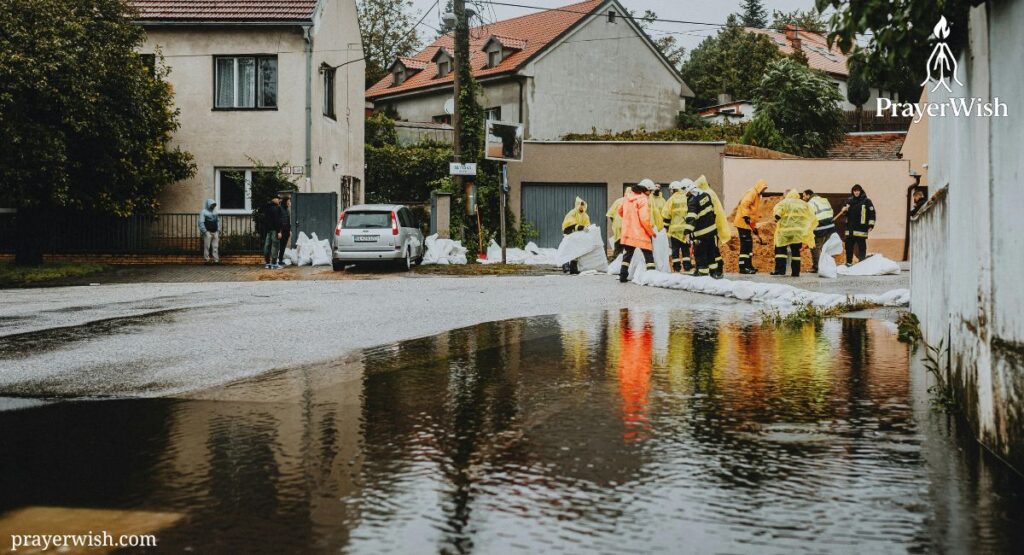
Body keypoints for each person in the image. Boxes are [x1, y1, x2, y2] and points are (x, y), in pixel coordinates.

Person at [618, 179, 657, 283]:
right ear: (646, 189)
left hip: (628, 233)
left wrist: (629, 219)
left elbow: (620, 211)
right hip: (641, 233)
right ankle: (651, 276)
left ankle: (622, 275)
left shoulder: (627, 197)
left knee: (627, 256)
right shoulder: (643, 199)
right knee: (648, 256)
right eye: (650, 191)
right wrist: (651, 232)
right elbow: (644, 219)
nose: (651, 193)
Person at [771, 189, 816, 277]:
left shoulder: (784, 202)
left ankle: (780, 270)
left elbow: (778, 213)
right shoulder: (803, 204)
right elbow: (811, 215)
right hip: (797, 233)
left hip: (785, 232)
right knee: (796, 253)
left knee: (781, 251)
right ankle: (795, 272)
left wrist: (776, 218)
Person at [682, 179, 719, 278]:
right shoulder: (706, 195)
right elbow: (712, 212)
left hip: (701, 233)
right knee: (711, 252)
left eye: (684, 189)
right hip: (711, 231)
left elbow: (691, 217)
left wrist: (687, 232)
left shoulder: (692, 199)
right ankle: (714, 272)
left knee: (700, 253)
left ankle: (702, 273)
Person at [695, 175, 730, 277]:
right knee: (712, 248)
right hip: (714, 226)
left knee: (713, 249)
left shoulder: (707, 194)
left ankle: (717, 270)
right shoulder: (710, 193)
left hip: (712, 227)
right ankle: (715, 270)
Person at [732, 179, 768, 274]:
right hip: (742, 222)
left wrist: (754, 227)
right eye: (763, 188)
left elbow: (753, 214)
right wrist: (746, 216)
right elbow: (744, 204)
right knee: (745, 244)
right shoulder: (752, 193)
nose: (764, 191)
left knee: (749, 244)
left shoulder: (756, 195)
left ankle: (749, 265)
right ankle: (743, 267)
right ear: (759, 186)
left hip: (747, 224)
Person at [835, 184, 875, 266]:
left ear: (860, 191)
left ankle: (862, 262)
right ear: (853, 192)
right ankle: (849, 262)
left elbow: (872, 214)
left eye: (858, 191)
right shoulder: (849, 201)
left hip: (861, 228)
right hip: (850, 228)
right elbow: (844, 213)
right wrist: (844, 210)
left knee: (862, 247)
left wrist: (871, 225)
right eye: (855, 191)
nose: (856, 192)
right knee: (848, 246)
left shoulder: (867, 201)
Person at [801, 189, 836, 273]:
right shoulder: (824, 199)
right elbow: (831, 211)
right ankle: (828, 266)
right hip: (830, 225)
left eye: (804, 195)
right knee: (827, 247)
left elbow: (810, 217)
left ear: (808, 195)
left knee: (815, 247)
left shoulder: (810, 203)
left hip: (820, 226)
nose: (803, 198)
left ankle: (816, 267)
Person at [664, 181, 692, 272]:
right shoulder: (687, 198)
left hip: (674, 230)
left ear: (673, 189)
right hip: (685, 230)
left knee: (675, 250)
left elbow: (666, 215)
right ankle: (687, 266)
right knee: (685, 249)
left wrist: (666, 228)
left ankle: (676, 267)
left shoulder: (671, 200)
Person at [561, 196, 591, 274]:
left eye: (582, 205)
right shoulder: (572, 213)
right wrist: (581, 227)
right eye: (580, 205)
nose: (581, 207)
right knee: (568, 249)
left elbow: (587, 225)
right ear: (577, 205)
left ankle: (573, 268)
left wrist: (587, 229)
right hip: (569, 233)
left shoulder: (585, 216)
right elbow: (570, 225)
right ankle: (565, 266)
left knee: (577, 251)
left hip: (578, 235)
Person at [262, 196, 285, 269]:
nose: (279, 201)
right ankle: (274, 264)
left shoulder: (267, 208)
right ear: (274, 199)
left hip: (268, 230)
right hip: (275, 230)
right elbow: (277, 221)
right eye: (278, 199)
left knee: (267, 246)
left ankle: (267, 263)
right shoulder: (277, 208)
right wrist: (279, 231)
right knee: (275, 246)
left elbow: (265, 220)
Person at [198, 199, 220, 264]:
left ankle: (216, 260)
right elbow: (201, 222)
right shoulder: (203, 212)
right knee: (207, 246)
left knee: (215, 246)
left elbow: (218, 221)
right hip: (207, 231)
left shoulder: (215, 212)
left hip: (215, 231)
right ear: (208, 204)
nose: (213, 206)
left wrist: (218, 230)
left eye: (214, 205)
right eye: (212, 204)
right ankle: (206, 260)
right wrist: (205, 231)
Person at [277, 196, 292, 267]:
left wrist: (290, 230)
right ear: (285, 202)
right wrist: (279, 231)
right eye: (289, 201)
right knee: (280, 246)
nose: (290, 203)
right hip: (282, 230)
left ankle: (280, 260)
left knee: (283, 246)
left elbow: (288, 221)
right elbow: (278, 220)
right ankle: (277, 260)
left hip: (286, 230)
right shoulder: (280, 208)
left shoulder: (287, 210)